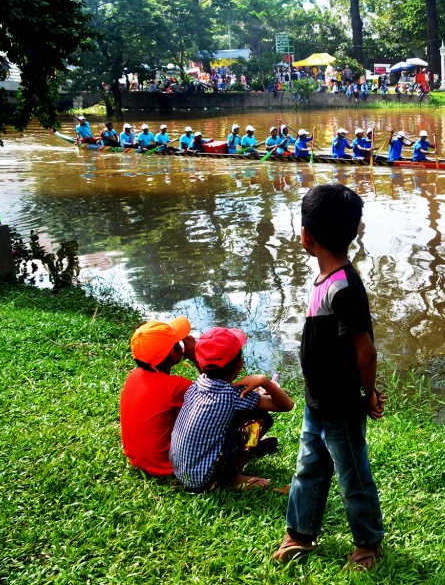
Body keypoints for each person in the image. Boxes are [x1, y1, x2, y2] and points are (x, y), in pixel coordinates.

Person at [273, 183, 386, 570]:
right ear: (355, 231)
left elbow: (366, 350)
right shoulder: (325, 278)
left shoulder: (344, 287)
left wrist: (367, 394)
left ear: (305, 235)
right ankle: (300, 533)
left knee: (353, 475)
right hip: (316, 401)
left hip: (340, 404)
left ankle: (368, 541)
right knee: (309, 467)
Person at [169, 326, 293, 491]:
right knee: (260, 418)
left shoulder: (198, 384)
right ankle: (234, 477)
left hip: (181, 471)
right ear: (240, 362)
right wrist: (265, 382)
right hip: (203, 480)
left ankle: (241, 452)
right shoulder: (232, 395)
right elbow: (286, 405)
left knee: (240, 415)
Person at [119, 316, 198, 477]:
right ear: (174, 353)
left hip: (138, 460)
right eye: (179, 344)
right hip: (166, 466)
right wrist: (195, 357)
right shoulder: (174, 386)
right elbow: (215, 395)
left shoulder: (133, 376)